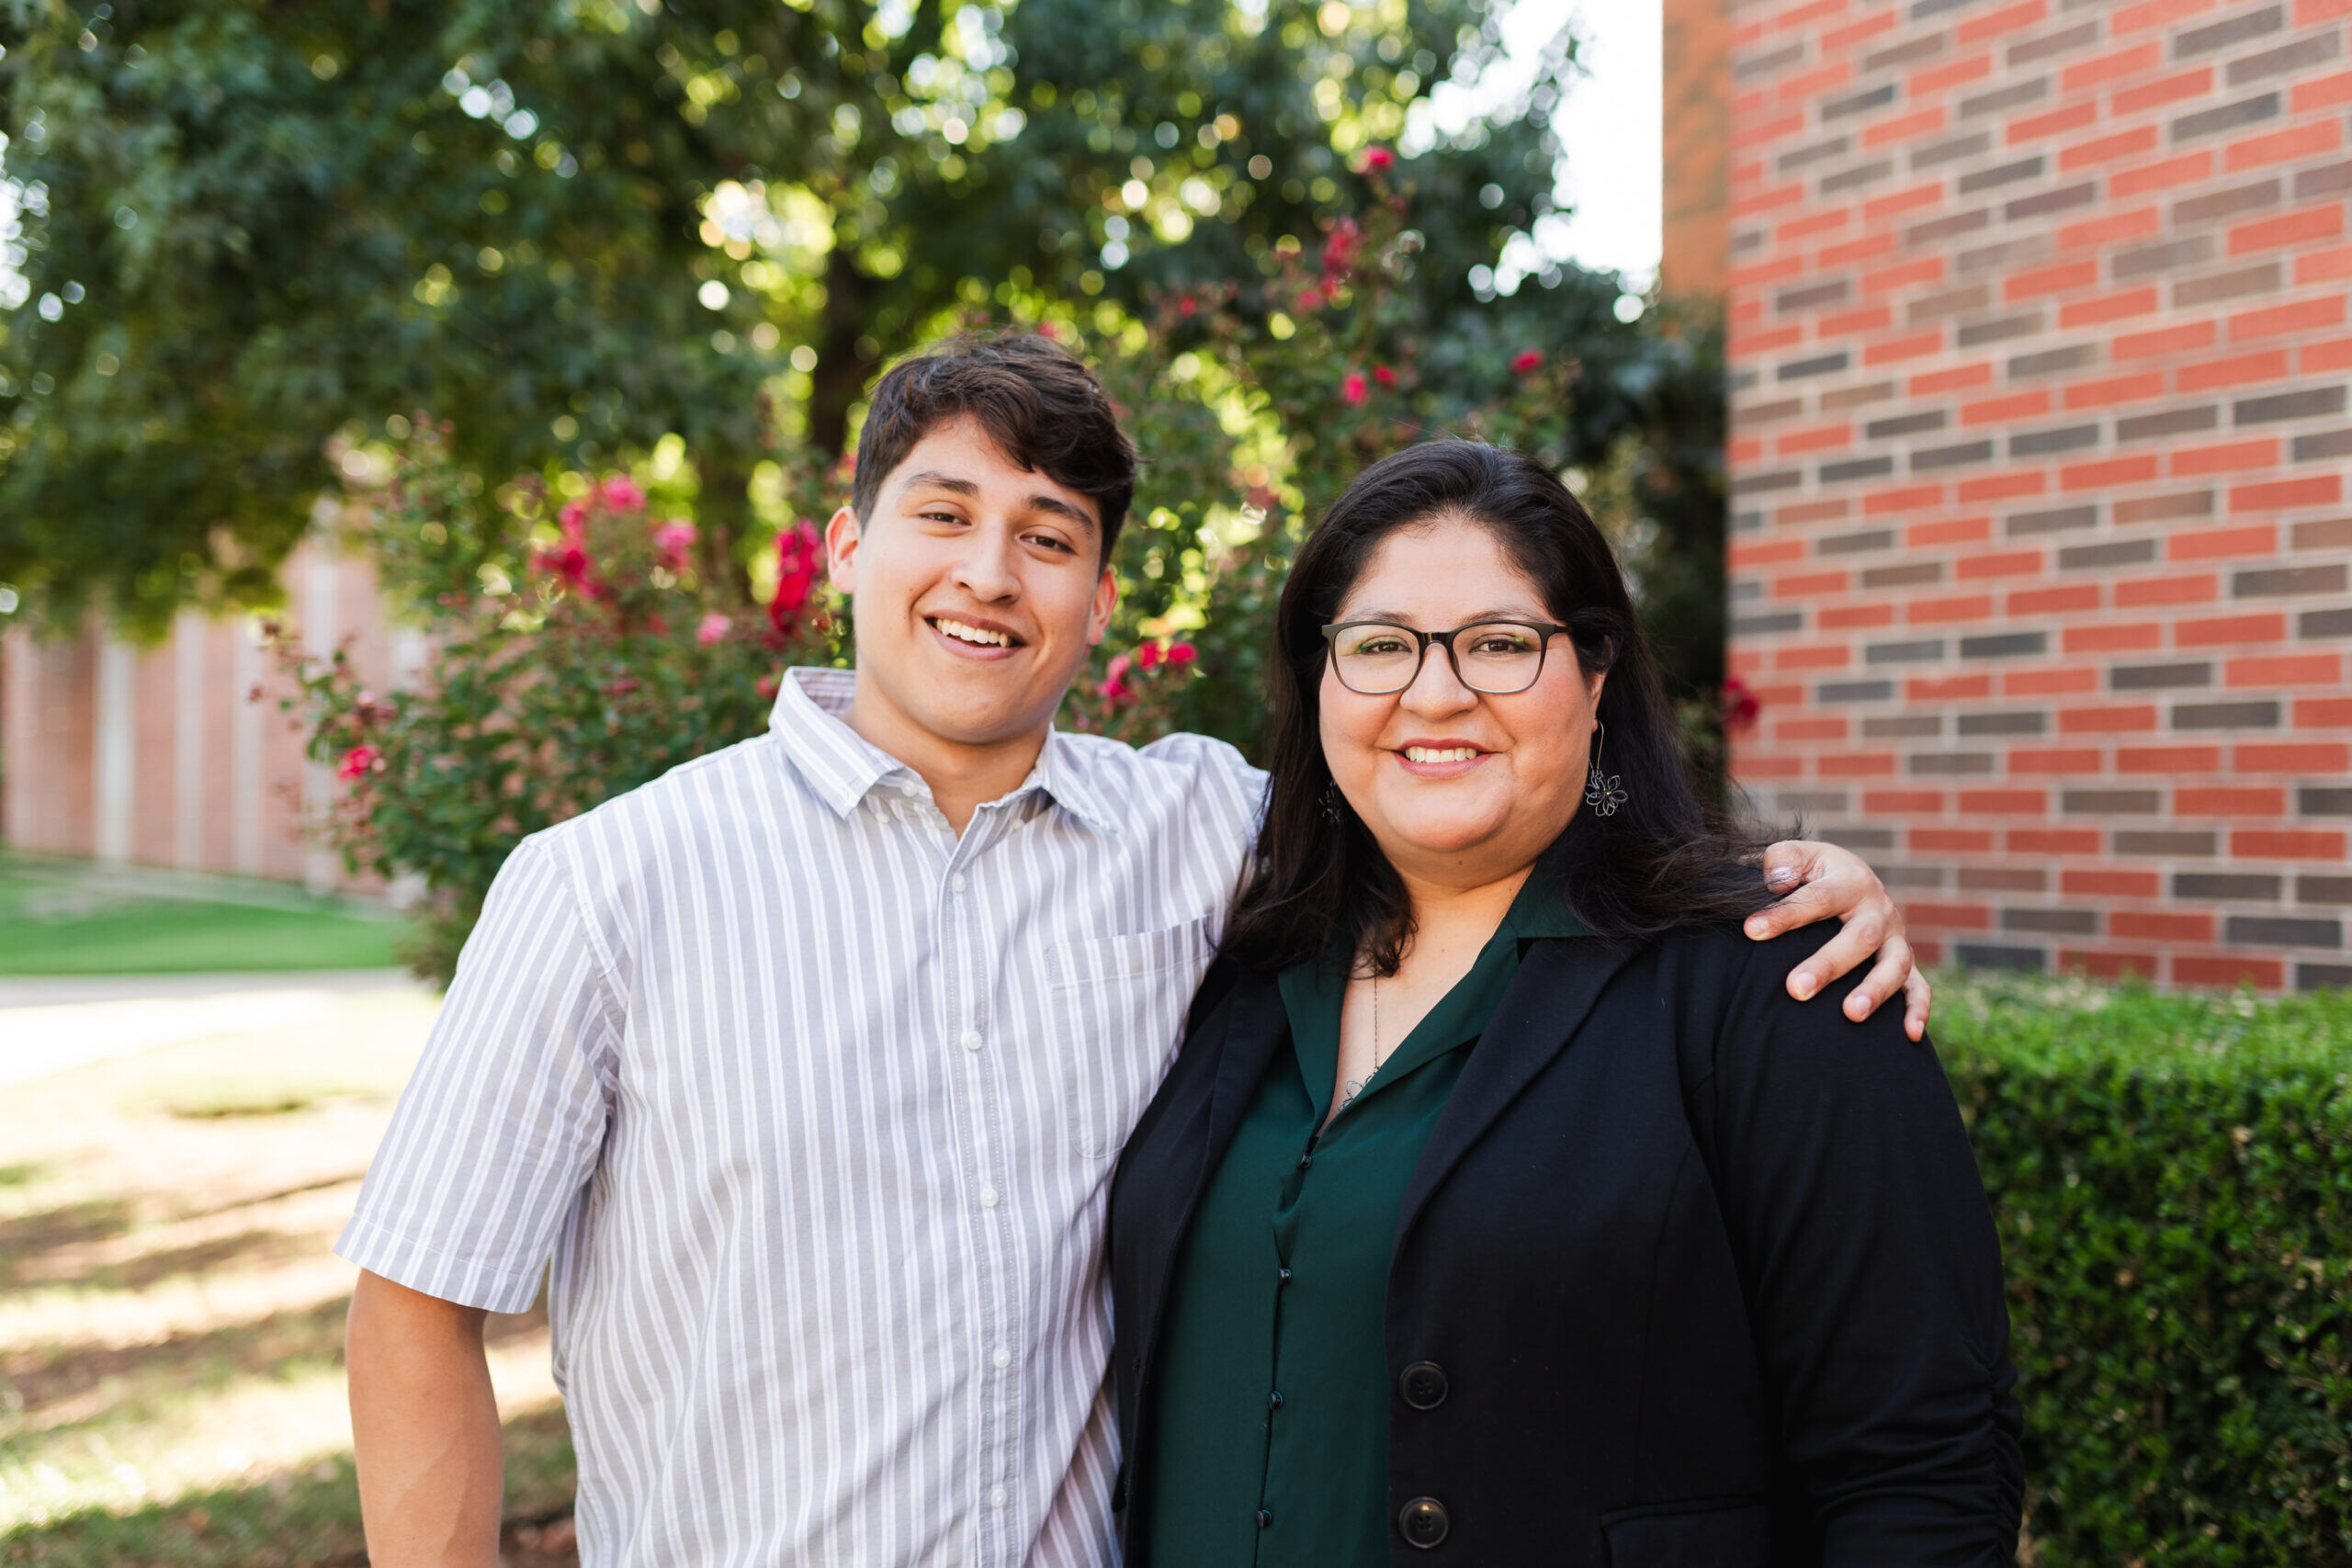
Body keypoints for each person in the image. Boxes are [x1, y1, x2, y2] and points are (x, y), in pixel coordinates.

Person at [338, 333, 1929, 1568]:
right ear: (844, 545)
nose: (987, 574)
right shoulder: (607, 883)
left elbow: (1454, 787)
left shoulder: (1206, 837)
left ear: (1100, 594)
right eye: (942, 515)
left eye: (1048, 535)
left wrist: (1780, 878)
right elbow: (416, 1301)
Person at [1106, 441, 2022, 1567]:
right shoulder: (1234, 963)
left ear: (1592, 677)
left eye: (1498, 644)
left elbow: (1924, 1471)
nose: (1432, 693)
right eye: (1380, 646)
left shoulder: (1773, 978)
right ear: (1319, 681)